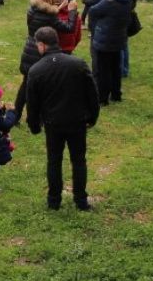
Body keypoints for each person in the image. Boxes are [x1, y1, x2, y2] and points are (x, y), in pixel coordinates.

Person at [26, 26, 100, 211]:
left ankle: (54, 201)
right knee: (79, 160)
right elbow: (92, 93)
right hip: (77, 120)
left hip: (53, 123)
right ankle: (81, 200)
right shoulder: (78, 64)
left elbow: (32, 102)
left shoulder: (36, 70)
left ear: (42, 45)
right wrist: (92, 116)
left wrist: (34, 125)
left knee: (54, 160)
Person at [15, 0, 79, 114]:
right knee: (42, 86)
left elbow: (47, 14)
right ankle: (36, 116)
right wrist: (72, 11)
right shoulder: (50, 17)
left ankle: (16, 114)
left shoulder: (32, 10)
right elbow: (69, 28)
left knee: (25, 84)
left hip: (29, 48)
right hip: (40, 53)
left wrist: (59, 7)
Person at [87, 0, 132, 104]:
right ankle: (116, 94)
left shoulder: (109, 2)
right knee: (115, 68)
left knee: (103, 70)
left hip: (104, 39)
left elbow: (93, 10)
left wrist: (94, 26)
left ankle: (102, 98)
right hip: (119, 38)